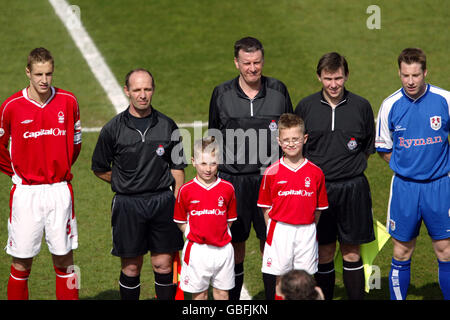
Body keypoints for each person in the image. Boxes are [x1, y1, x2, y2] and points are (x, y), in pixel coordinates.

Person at [208, 36, 293, 300]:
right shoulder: (221, 94)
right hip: (234, 182)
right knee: (235, 246)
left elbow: (290, 133)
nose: (252, 68)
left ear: (263, 61)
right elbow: (213, 137)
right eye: (246, 63)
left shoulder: (279, 90)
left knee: (271, 245)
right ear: (236, 63)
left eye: (257, 62)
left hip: (271, 182)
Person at [91, 68, 187, 300]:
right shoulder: (113, 129)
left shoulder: (167, 125)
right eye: (137, 90)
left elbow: (177, 167)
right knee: (131, 267)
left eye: (147, 89)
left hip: (162, 202)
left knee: (163, 265)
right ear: (127, 92)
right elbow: (100, 167)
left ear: (153, 90)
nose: (142, 95)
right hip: (128, 205)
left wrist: (176, 201)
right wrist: (125, 181)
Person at [0, 47, 82, 300]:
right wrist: (18, 170)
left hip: (59, 190)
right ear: (28, 73)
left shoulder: (68, 101)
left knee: (65, 259)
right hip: (26, 193)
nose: (44, 80)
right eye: (38, 74)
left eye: (48, 73)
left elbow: (76, 144)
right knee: (21, 262)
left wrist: (61, 167)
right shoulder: (11, 107)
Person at [294, 52, 376, 300]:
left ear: (346, 76)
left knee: (352, 252)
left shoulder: (361, 106)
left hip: (353, 189)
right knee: (324, 250)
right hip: (319, 191)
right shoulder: (305, 107)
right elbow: (297, 147)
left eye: (338, 78)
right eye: (328, 78)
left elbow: (367, 148)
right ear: (319, 77)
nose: (333, 84)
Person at [375, 48, 450, 300]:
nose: (410, 81)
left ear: (425, 72)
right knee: (401, 252)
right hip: (405, 189)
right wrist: (406, 167)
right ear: (399, 73)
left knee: (445, 251)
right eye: (405, 75)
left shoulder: (444, 99)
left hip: (440, 186)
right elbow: (384, 148)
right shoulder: (390, 105)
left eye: (415, 75)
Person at [257, 113, 328, 299]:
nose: (291, 144)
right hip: (280, 231)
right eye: (286, 140)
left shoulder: (316, 173)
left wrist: (309, 225)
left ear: (304, 139)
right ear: (279, 141)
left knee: (306, 280)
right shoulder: (271, 172)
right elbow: (266, 207)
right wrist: (274, 229)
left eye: (295, 139)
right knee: (281, 279)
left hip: (306, 231)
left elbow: (319, 208)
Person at [174, 137, 237, 300]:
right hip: (197, 251)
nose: (208, 169)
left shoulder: (228, 188)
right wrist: (192, 232)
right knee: (199, 294)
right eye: (203, 163)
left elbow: (230, 218)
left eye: (213, 163)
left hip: (223, 250)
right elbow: (180, 220)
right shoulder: (186, 190)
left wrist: (219, 233)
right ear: (194, 161)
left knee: (222, 293)